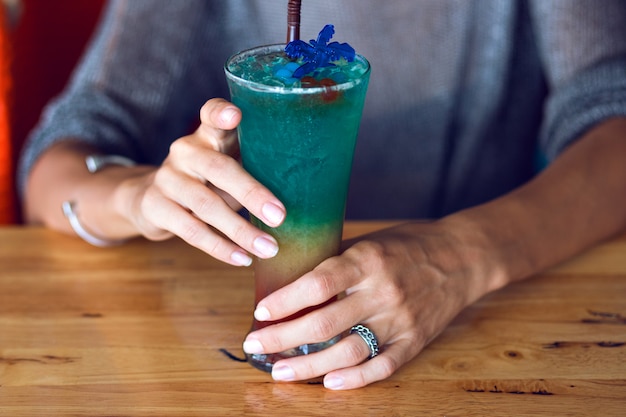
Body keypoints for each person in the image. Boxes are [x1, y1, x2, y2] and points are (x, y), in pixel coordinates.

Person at [17, 0, 626, 390]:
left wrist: (461, 256)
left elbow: (612, 120)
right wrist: (136, 196)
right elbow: (57, 163)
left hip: (486, 341)